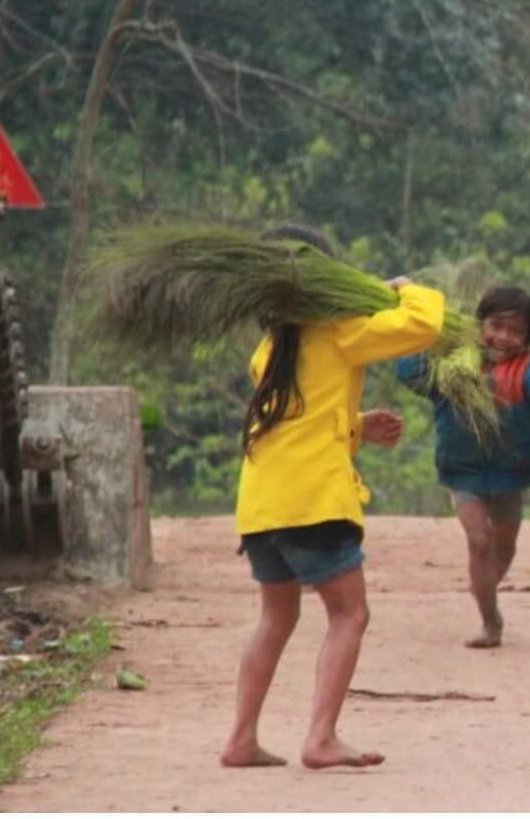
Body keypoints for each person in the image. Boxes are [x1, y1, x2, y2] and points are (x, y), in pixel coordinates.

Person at [221, 224, 444, 773]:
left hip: (262, 502)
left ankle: (241, 739)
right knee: (350, 614)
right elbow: (423, 324)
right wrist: (402, 289)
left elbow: (301, 415)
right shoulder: (342, 330)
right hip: (313, 500)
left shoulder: (269, 348)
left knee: (276, 618)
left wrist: (357, 426)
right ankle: (321, 737)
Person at [394, 284, 530, 647]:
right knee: (479, 540)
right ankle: (490, 621)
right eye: (496, 326)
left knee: (503, 549)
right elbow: (410, 372)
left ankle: (483, 588)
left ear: (527, 339)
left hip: (512, 471)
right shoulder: (451, 364)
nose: (503, 337)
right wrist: (422, 328)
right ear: (480, 325)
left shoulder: (526, 367)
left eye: (515, 331)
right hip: (462, 471)